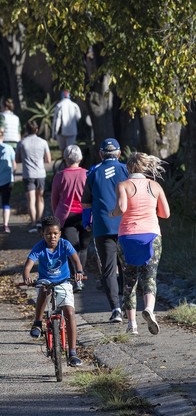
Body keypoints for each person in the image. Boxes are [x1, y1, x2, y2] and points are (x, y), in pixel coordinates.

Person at [112, 153, 170, 335]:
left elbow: (122, 208)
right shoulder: (155, 186)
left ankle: (132, 325)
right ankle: (150, 310)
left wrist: (111, 213)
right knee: (150, 276)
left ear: (128, 168)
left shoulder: (123, 185)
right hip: (152, 236)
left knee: (129, 280)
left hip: (127, 236)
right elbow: (165, 214)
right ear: (145, 168)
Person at [23, 215, 85, 367]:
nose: (52, 236)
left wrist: (79, 271)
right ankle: (37, 322)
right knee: (43, 290)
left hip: (64, 281)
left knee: (69, 312)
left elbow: (75, 259)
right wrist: (27, 277)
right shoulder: (39, 247)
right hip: (46, 280)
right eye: (48, 234)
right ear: (42, 234)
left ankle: (72, 352)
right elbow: (28, 265)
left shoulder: (64, 244)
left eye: (55, 233)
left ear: (60, 233)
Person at [81, 138, 129, 323]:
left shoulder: (93, 172)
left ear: (101, 154)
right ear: (119, 153)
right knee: (127, 266)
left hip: (102, 226)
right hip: (125, 225)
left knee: (109, 269)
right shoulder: (126, 170)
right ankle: (127, 304)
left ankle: (115, 309)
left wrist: (87, 221)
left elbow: (86, 202)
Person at [51, 145, 92, 291]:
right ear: (80, 158)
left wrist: (56, 214)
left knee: (72, 248)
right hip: (86, 215)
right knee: (83, 247)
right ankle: (80, 277)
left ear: (65, 159)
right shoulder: (88, 174)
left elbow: (54, 199)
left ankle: (76, 277)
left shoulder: (60, 175)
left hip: (66, 217)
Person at [15, 121, 51, 233]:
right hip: (40, 173)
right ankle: (40, 221)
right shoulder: (43, 142)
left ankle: (33, 223)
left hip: (28, 174)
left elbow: (17, 159)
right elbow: (48, 159)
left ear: (26, 129)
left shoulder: (22, 143)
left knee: (31, 200)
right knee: (40, 198)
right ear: (37, 129)